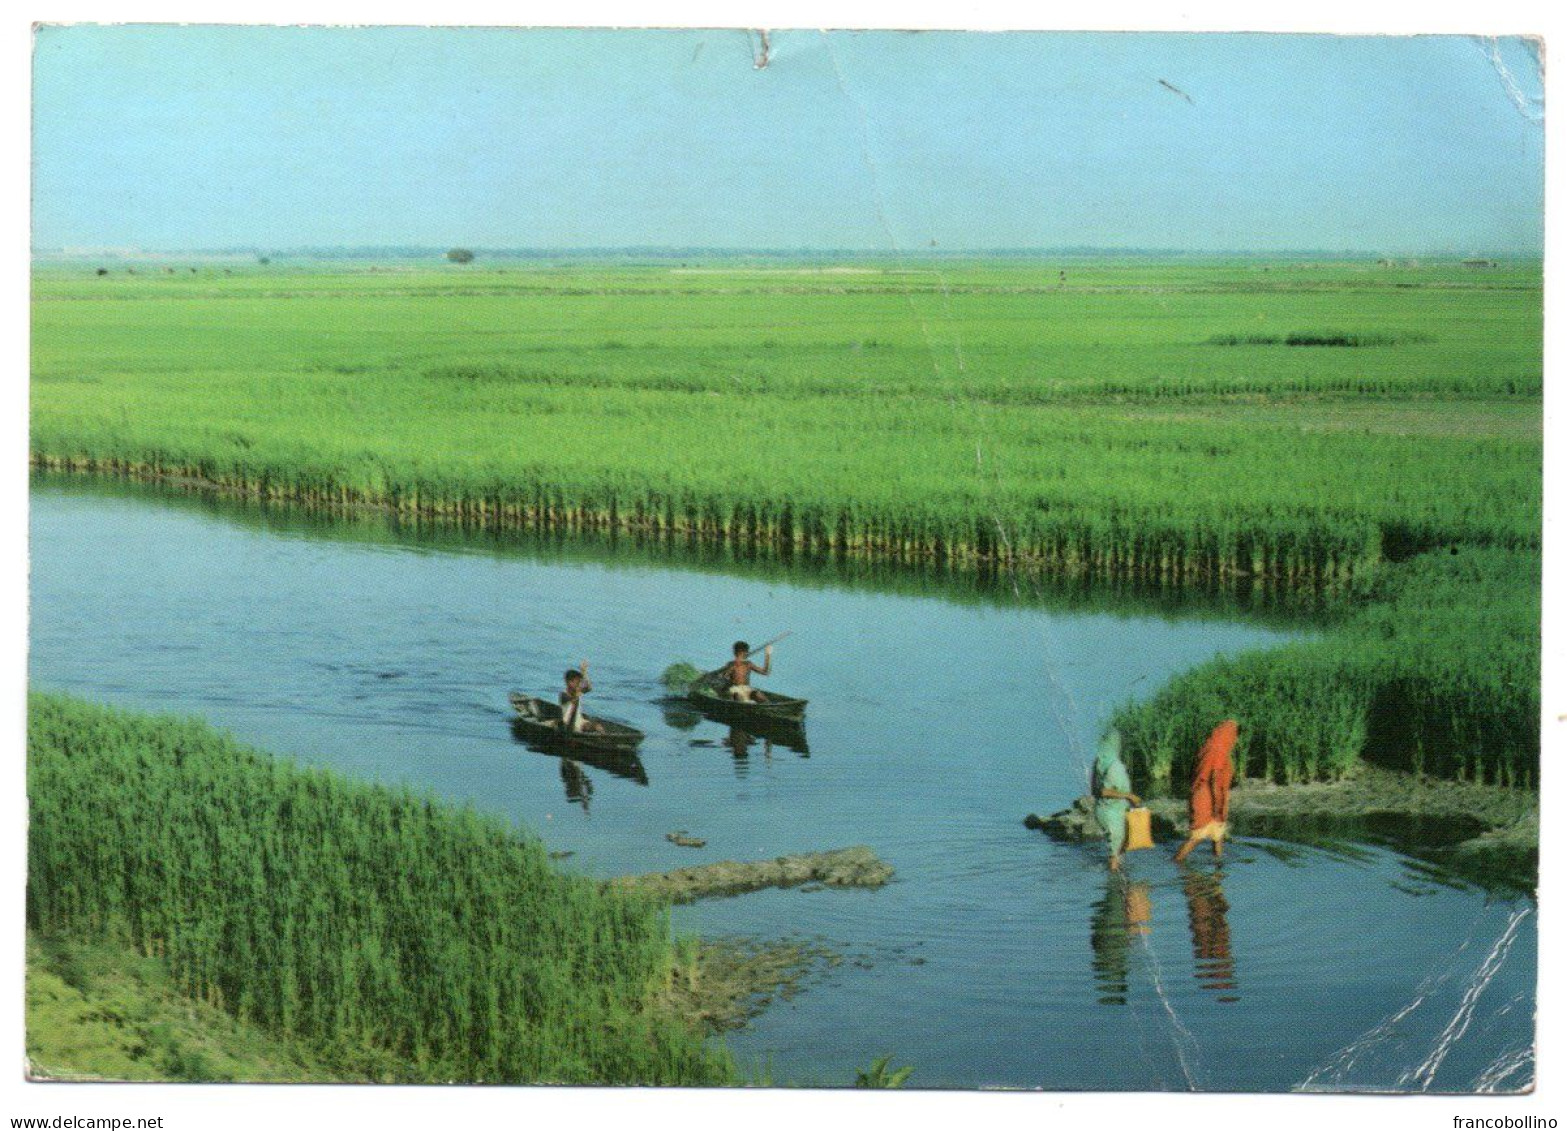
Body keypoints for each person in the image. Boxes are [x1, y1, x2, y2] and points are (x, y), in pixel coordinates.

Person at [1174, 719, 1238, 863]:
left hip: (1202, 792)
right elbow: (1214, 778)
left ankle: (1219, 866)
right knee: (1198, 836)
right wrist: (1217, 805)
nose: (1235, 738)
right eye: (1234, 734)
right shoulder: (1219, 750)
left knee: (1218, 834)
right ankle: (1176, 862)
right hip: (1207, 797)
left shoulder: (1208, 747)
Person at [1091, 729, 1141, 872]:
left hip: (1103, 810)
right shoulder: (1114, 765)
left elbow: (1094, 790)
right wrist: (1129, 796)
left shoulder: (1098, 762)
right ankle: (1114, 882)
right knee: (1115, 850)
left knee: (1121, 844)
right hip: (1112, 813)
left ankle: (1119, 872)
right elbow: (1104, 791)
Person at [558, 662, 604, 734]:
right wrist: (578, 693)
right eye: (577, 682)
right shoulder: (563, 694)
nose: (579, 684)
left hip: (580, 722)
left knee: (598, 726)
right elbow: (572, 698)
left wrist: (584, 672)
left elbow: (589, 688)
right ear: (569, 682)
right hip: (568, 724)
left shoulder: (577, 691)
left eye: (579, 682)